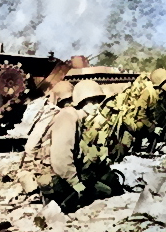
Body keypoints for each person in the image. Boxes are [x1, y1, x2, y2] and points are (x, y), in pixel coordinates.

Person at [32, 80, 123, 213]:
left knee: (107, 189)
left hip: (60, 175)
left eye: (98, 101)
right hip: (54, 177)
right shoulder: (68, 117)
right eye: (91, 101)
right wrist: (76, 183)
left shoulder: (76, 118)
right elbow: (60, 159)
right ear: (81, 102)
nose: (96, 106)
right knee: (98, 194)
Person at [15, 81, 74, 194]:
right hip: (48, 167)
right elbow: (31, 147)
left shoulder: (62, 114)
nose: (69, 104)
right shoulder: (50, 114)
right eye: (67, 101)